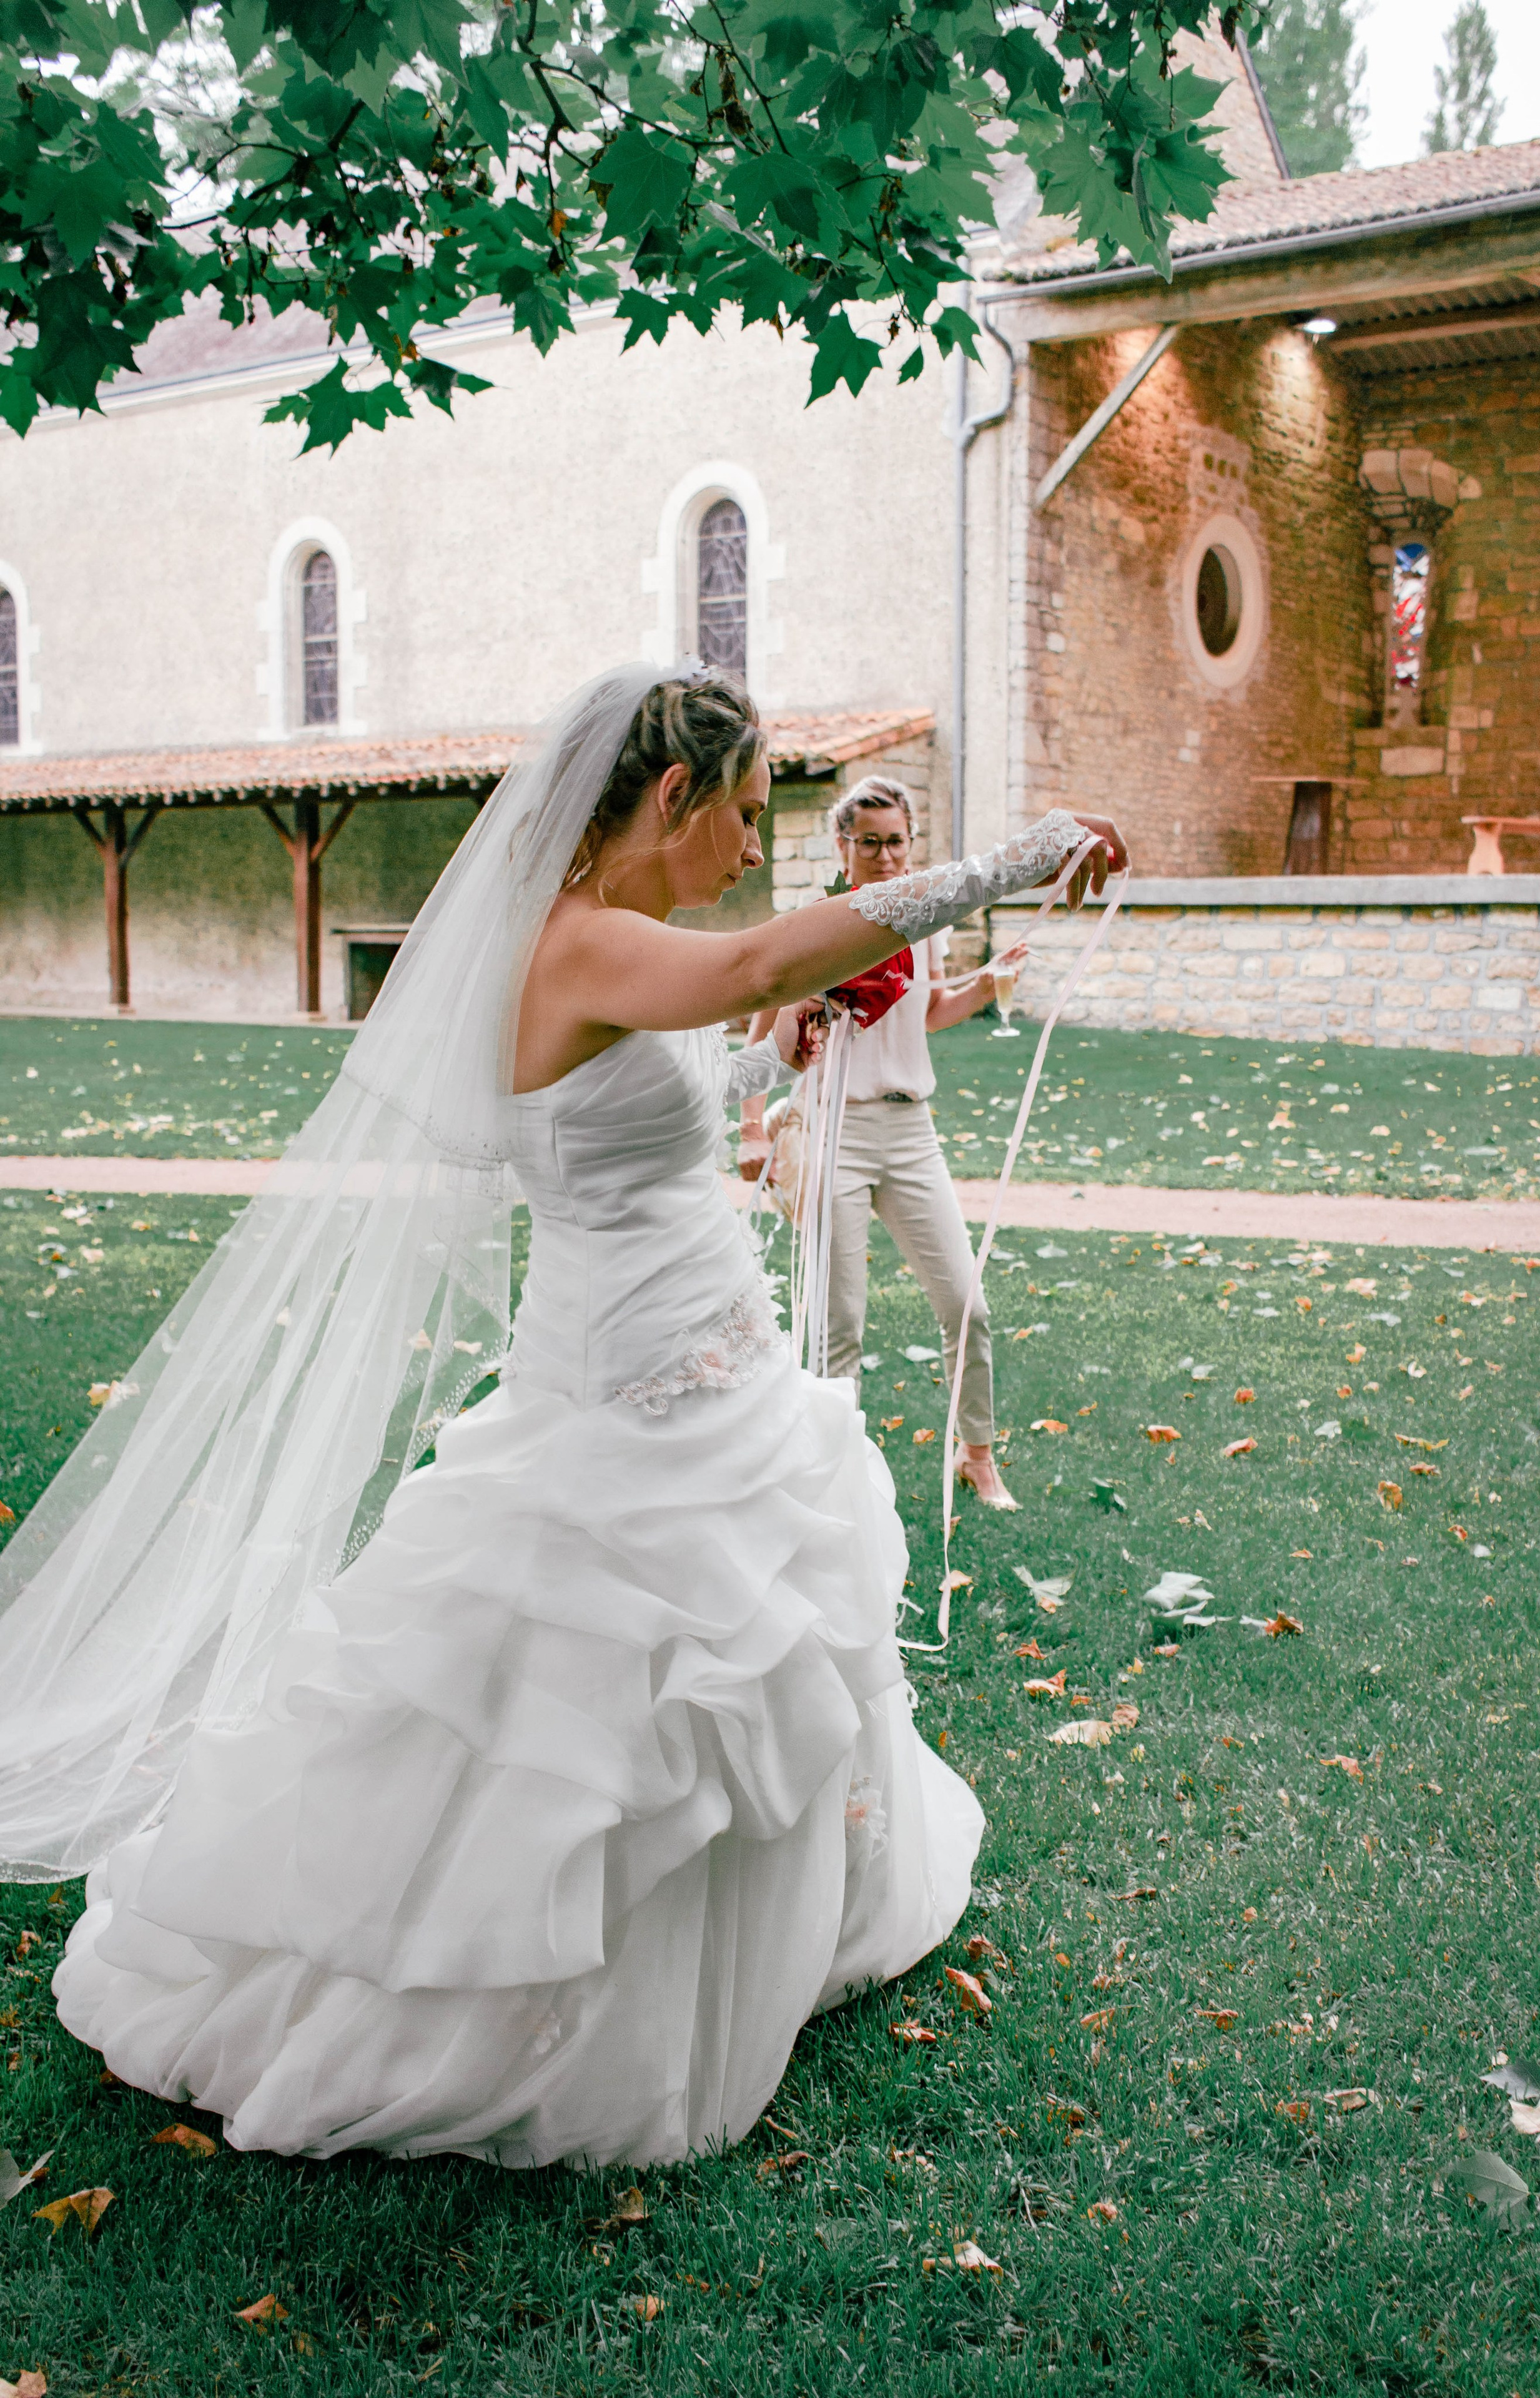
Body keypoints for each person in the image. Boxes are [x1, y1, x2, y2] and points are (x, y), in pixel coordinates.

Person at [0, 664, 1121, 2170]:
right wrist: (1000, 864)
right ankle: (505, 1998)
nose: (747, 850)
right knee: (612, 1686)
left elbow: (631, 1098)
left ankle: (780, 1936)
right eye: (735, 814)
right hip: (630, 1386)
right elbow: (744, 966)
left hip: (693, 1349)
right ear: (665, 798)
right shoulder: (586, 941)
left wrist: (755, 1061)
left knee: (741, 1647)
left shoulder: (593, 950)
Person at [738, 775, 1103, 1510]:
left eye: (895, 841)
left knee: (968, 1304)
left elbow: (927, 1010)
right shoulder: (817, 924)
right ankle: (826, 1473)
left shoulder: (924, 924)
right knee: (836, 1324)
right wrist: (752, 1129)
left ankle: (977, 1454)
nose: (883, 855)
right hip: (832, 1126)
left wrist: (986, 985)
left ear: (911, 845)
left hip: (910, 1131)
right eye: (867, 842)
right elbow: (759, 1030)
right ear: (843, 846)